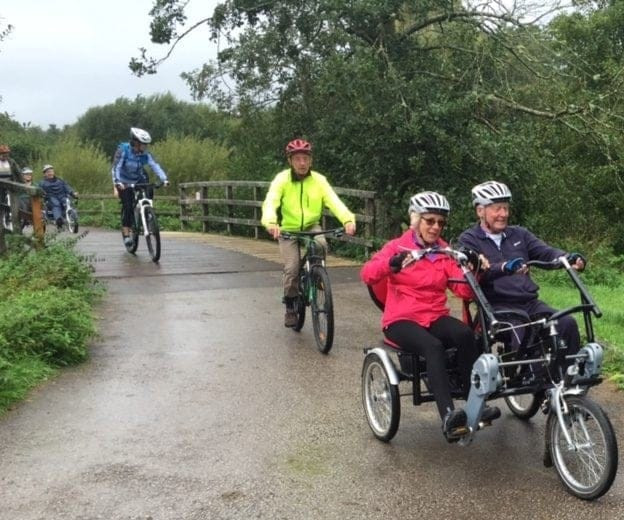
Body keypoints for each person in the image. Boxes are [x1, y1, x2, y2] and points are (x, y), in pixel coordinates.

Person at [360, 191, 498, 442]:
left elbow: (462, 290)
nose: (436, 227)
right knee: (433, 347)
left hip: (433, 315)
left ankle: (472, 403)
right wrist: (391, 264)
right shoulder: (397, 247)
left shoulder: (444, 251)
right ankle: (448, 416)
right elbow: (368, 274)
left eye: (441, 222)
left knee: (465, 335)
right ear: (416, 220)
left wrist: (475, 269)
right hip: (401, 319)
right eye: (430, 221)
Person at [458, 180, 585, 369]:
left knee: (567, 323)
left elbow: (547, 253)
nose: (503, 214)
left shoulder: (519, 234)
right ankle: (534, 380)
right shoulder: (469, 239)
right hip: (497, 306)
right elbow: (474, 271)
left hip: (530, 302)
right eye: (497, 209)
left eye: (506, 208)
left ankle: (570, 379)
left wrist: (569, 258)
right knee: (525, 332)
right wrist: (503, 267)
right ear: (480, 211)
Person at [261, 138, 356, 327]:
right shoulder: (282, 179)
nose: (302, 163)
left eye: (305, 158)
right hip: (288, 228)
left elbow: (334, 201)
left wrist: (347, 219)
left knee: (320, 244)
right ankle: (290, 305)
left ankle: (316, 274)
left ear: (310, 160)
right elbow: (271, 202)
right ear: (290, 161)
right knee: (292, 267)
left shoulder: (319, 181)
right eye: (297, 159)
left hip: (311, 225)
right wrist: (271, 222)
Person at [112, 127, 169, 246]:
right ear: (135, 142)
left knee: (150, 187)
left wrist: (164, 179)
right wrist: (117, 182)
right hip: (123, 181)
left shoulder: (145, 154)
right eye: (143, 144)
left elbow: (155, 165)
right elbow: (116, 168)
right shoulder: (123, 150)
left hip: (138, 178)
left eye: (146, 145)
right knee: (128, 206)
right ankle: (127, 234)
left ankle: (148, 213)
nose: (145, 147)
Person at [38, 165, 78, 230]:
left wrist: (72, 193)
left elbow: (67, 187)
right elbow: (39, 191)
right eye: (48, 172)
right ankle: (58, 220)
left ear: (53, 172)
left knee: (67, 201)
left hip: (62, 196)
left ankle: (70, 216)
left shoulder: (60, 180)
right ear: (45, 174)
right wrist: (42, 194)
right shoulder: (42, 183)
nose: (50, 173)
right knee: (56, 204)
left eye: (51, 171)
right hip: (51, 198)